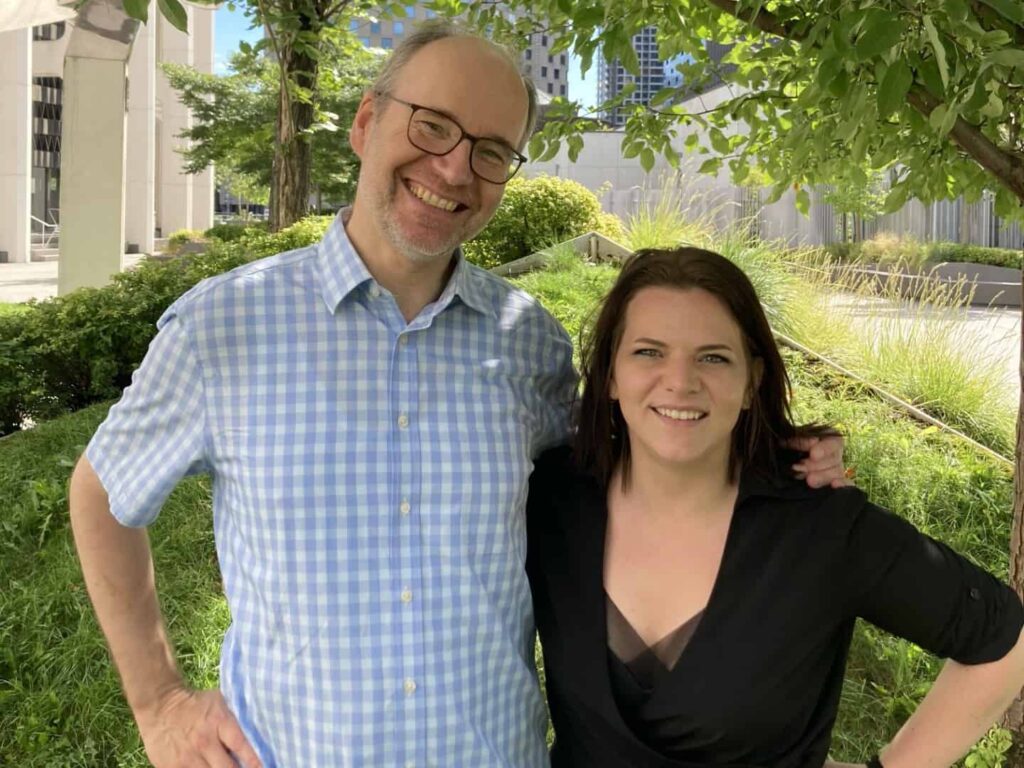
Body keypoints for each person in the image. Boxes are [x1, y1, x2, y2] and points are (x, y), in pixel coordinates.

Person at [68, 22, 847, 768]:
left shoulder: (530, 343)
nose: (453, 169)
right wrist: (159, 702)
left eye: (491, 151)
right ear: (366, 122)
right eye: (433, 125)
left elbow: (634, 475)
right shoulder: (223, 327)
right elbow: (103, 492)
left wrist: (770, 458)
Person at [526, 246, 1024, 768]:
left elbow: (1001, 640)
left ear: (752, 381)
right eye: (649, 352)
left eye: (713, 357)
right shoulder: (552, 501)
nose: (680, 381)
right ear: (610, 374)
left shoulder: (819, 528)